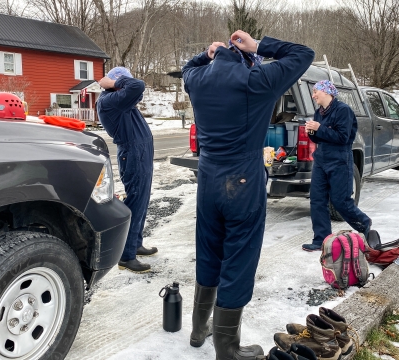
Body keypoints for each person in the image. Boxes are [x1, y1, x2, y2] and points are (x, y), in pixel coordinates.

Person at [182, 31, 314, 360]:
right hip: (242, 180)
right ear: (247, 58)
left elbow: (188, 67)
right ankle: (227, 349)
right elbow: (303, 53)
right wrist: (258, 46)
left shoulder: (196, 80)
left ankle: (199, 330)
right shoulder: (257, 80)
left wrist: (207, 53)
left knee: (209, 251)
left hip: (209, 179)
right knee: (238, 260)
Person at [96, 67, 158, 273]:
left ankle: (135, 244)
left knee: (142, 201)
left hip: (140, 153)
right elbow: (137, 85)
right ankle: (126, 255)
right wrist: (113, 83)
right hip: (133, 154)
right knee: (135, 201)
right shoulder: (108, 101)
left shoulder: (121, 99)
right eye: (121, 81)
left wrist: (116, 84)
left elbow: (136, 90)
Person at [302, 80, 372, 251]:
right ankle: (322, 240)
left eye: (315, 91)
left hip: (340, 160)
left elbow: (343, 138)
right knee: (317, 200)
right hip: (321, 160)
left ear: (326, 92)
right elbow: (320, 138)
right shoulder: (319, 112)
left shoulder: (343, 110)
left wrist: (319, 128)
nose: (313, 95)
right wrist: (312, 133)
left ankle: (364, 224)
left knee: (341, 201)